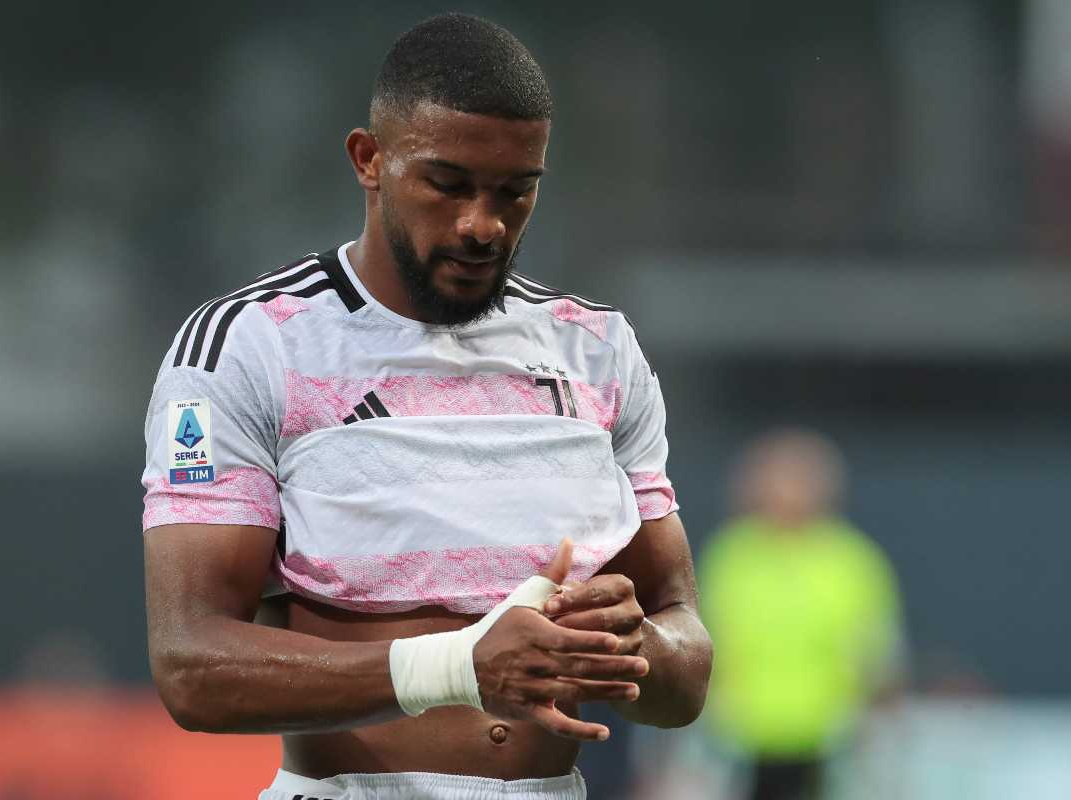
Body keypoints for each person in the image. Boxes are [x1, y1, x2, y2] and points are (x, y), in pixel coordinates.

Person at [141, 13, 712, 799]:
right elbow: (191, 667)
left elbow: (686, 673)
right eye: (447, 185)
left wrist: (632, 644)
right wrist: (456, 667)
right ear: (368, 160)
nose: (483, 225)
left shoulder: (597, 350)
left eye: (515, 192)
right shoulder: (252, 344)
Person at [698, 429, 905, 800]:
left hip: (827, 740)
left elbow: (878, 656)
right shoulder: (730, 555)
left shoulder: (852, 561)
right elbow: (702, 642)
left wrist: (877, 732)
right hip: (740, 739)